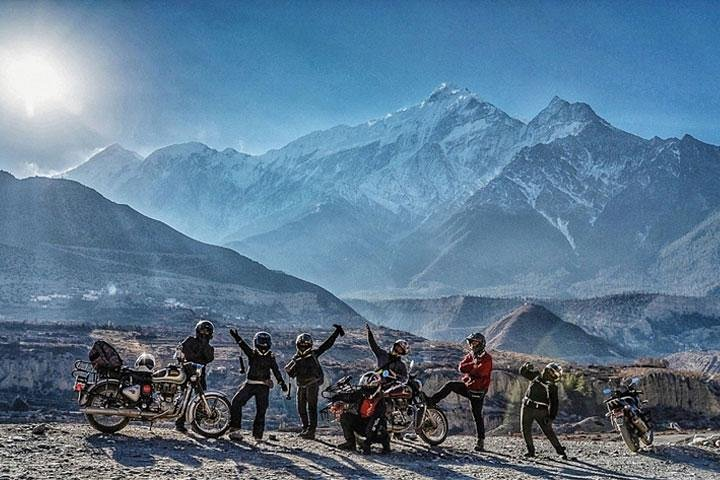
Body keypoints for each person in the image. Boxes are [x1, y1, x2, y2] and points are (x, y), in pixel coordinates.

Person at [427, 332, 492, 451]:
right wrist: (473, 366)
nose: (472, 345)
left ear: (481, 343)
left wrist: (471, 368)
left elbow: (480, 372)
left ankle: (480, 441)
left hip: (478, 392)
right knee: (450, 385)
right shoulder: (472, 355)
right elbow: (461, 367)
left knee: (477, 415)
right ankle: (431, 401)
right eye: (471, 342)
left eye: (474, 342)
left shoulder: (487, 358)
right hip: (469, 386)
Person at [285, 324, 345, 439]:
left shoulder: (313, 354)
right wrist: (289, 369)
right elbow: (291, 373)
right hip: (301, 384)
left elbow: (327, 345)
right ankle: (305, 428)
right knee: (301, 407)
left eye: (305, 344)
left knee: (311, 407)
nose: (303, 346)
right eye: (301, 344)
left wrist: (336, 332)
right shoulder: (296, 358)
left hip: (312, 383)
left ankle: (311, 431)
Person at [228, 329, 287, 441]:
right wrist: (281, 383)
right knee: (256, 409)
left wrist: (281, 382)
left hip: (255, 385)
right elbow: (276, 371)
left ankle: (243, 432)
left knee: (245, 405)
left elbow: (276, 370)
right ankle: (253, 434)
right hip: (256, 385)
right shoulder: (264, 355)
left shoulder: (260, 355)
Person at [332, 371, 390, 454]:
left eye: (367, 387)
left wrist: (367, 442)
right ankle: (350, 443)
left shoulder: (380, 401)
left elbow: (374, 422)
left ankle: (386, 446)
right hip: (363, 423)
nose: (364, 389)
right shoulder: (362, 393)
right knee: (345, 416)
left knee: (380, 429)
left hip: (375, 430)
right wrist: (337, 397)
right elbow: (350, 397)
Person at [519, 361, 567, 459]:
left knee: (548, 431)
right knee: (525, 429)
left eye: (552, 372)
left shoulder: (552, 387)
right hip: (527, 406)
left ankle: (560, 451)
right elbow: (523, 372)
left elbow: (554, 403)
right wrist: (526, 366)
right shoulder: (536, 376)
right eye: (549, 370)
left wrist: (551, 417)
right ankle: (530, 451)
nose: (548, 373)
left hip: (541, 410)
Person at [175, 320, 215, 433]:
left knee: (202, 400)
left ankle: (197, 425)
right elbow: (180, 352)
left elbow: (209, 358)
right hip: (186, 373)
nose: (204, 333)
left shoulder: (209, 348)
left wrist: (204, 345)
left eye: (207, 331)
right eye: (202, 330)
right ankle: (179, 423)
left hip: (199, 375)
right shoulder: (190, 341)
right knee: (184, 398)